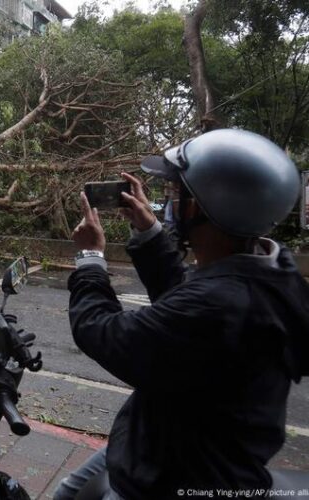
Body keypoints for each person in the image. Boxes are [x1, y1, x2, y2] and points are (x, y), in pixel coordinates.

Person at [58, 129, 309, 499]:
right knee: (69, 491)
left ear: (203, 206)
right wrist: (149, 231)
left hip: (173, 475)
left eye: (178, 194)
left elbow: (104, 333)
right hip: (166, 441)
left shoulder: (223, 303)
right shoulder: (268, 269)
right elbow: (185, 295)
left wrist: (90, 258)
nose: (170, 201)